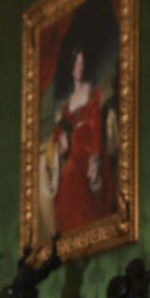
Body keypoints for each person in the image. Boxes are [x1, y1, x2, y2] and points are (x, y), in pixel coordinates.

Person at [52, 45, 115, 233]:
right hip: (75, 152)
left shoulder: (91, 92)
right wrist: (61, 136)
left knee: (86, 183)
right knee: (69, 179)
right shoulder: (68, 101)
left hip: (91, 149)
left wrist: (95, 159)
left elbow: (96, 125)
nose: (80, 67)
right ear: (72, 69)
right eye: (76, 64)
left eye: (82, 63)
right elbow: (61, 125)